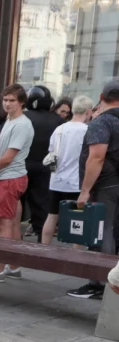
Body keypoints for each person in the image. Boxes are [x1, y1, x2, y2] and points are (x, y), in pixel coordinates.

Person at [69, 79, 119, 299]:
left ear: (101, 97)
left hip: (105, 185)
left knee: (102, 232)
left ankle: (100, 285)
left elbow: (96, 157)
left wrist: (84, 191)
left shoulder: (102, 122)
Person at [0, 84, 34, 281]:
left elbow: (8, 157)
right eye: (5, 100)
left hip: (10, 178)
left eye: (12, 100)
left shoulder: (21, 124)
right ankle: (13, 266)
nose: (7, 104)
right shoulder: (11, 120)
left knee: (4, 225)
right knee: (12, 224)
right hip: (10, 177)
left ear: (21, 102)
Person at [42, 96, 92, 246]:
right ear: (88, 111)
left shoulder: (60, 129)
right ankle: (76, 253)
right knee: (79, 220)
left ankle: (44, 248)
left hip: (56, 180)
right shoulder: (87, 130)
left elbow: (51, 152)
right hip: (76, 182)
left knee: (52, 216)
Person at [22, 85, 64, 239]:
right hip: (46, 166)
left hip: (23, 164)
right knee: (42, 203)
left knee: (17, 202)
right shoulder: (58, 120)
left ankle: (11, 235)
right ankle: (42, 236)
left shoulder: (24, 117)